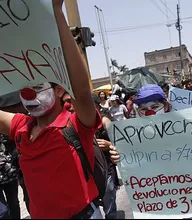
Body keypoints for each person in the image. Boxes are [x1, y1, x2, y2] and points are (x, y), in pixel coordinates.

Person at [0, 1, 102, 218]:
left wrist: (56, 13)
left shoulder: (75, 123)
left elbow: (82, 92)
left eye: (38, 88)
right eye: (24, 90)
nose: (29, 95)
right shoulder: (21, 127)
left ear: (58, 91)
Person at [63, 92, 120, 219]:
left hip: (105, 169)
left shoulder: (104, 120)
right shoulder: (69, 123)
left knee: (108, 202)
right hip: (86, 172)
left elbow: (120, 142)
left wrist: (108, 144)